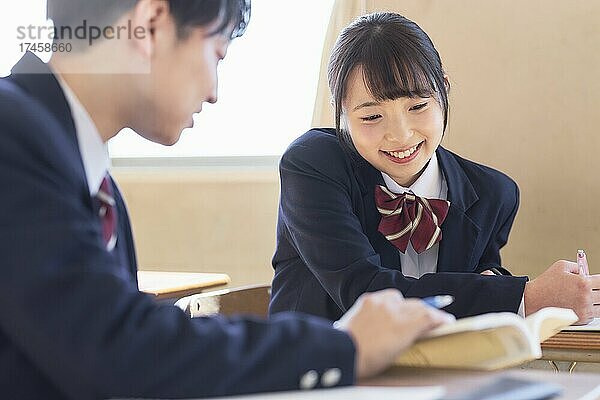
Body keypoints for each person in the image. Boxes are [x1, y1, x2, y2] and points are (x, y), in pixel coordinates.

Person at [0, 2, 455, 399]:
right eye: (217, 53)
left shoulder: (90, 180)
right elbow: (112, 343)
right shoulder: (13, 135)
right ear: (152, 23)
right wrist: (345, 347)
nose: (215, 91)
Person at [269, 12, 600, 324]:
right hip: (317, 374)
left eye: (417, 106)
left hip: (439, 378)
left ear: (444, 88)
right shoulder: (312, 166)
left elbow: (480, 285)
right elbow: (364, 292)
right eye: (371, 116)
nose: (400, 135)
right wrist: (528, 297)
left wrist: (499, 284)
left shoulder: (493, 194)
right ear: (340, 110)